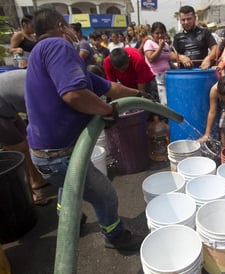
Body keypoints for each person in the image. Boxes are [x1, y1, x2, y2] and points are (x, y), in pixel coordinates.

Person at [25, 8, 148, 251]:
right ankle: (114, 235)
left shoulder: (42, 54)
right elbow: (74, 95)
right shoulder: (58, 47)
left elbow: (111, 87)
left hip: (44, 153)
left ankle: (68, 218)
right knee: (106, 196)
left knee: (66, 185)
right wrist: (107, 111)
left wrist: (141, 95)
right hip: (60, 155)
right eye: (69, 26)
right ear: (61, 25)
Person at [0, 69, 55, 206]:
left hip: (8, 105)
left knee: (28, 144)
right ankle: (27, 194)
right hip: (2, 110)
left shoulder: (49, 81)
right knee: (20, 150)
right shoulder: (47, 89)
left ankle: (37, 181)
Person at [144, 22, 178, 105]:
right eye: (157, 33)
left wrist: (177, 70)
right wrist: (160, 47)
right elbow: (151, 59)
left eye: (162, 33)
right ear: (152, 34)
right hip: (156, 78)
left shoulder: (166, 45)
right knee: (163, 102)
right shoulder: (149, 43)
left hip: (167, 76)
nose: (160, 35)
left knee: (170, 100)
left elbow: (168, 61)